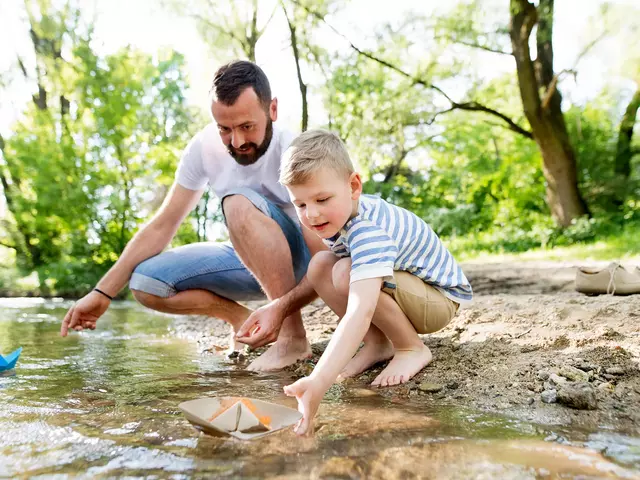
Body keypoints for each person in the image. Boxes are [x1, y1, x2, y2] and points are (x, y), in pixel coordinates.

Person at [60, 60, 326, 371]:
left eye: (247, 126)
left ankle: (292, 338)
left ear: (273, 111)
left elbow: (324, 252)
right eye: (225, 129)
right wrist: (102, 292)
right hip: (248, 262)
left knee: (237, 203)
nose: (237, 141)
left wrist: (282, 308)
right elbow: (163, 224)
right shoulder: (204, 148)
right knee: (146, 282)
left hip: (304, 264)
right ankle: (242, 321)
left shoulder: (294, 149)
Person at [280, 130, 473, 434]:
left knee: (345, 272)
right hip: (410, 291)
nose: (312, 214)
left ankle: (411, 347)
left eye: (321, 199)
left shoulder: (368, 230)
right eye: (300, 205)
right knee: (320, 265)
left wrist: (318, 381)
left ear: (353, 186)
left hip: (438, 301)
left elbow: (361, 309)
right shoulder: (340, 220)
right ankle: (378, 343)